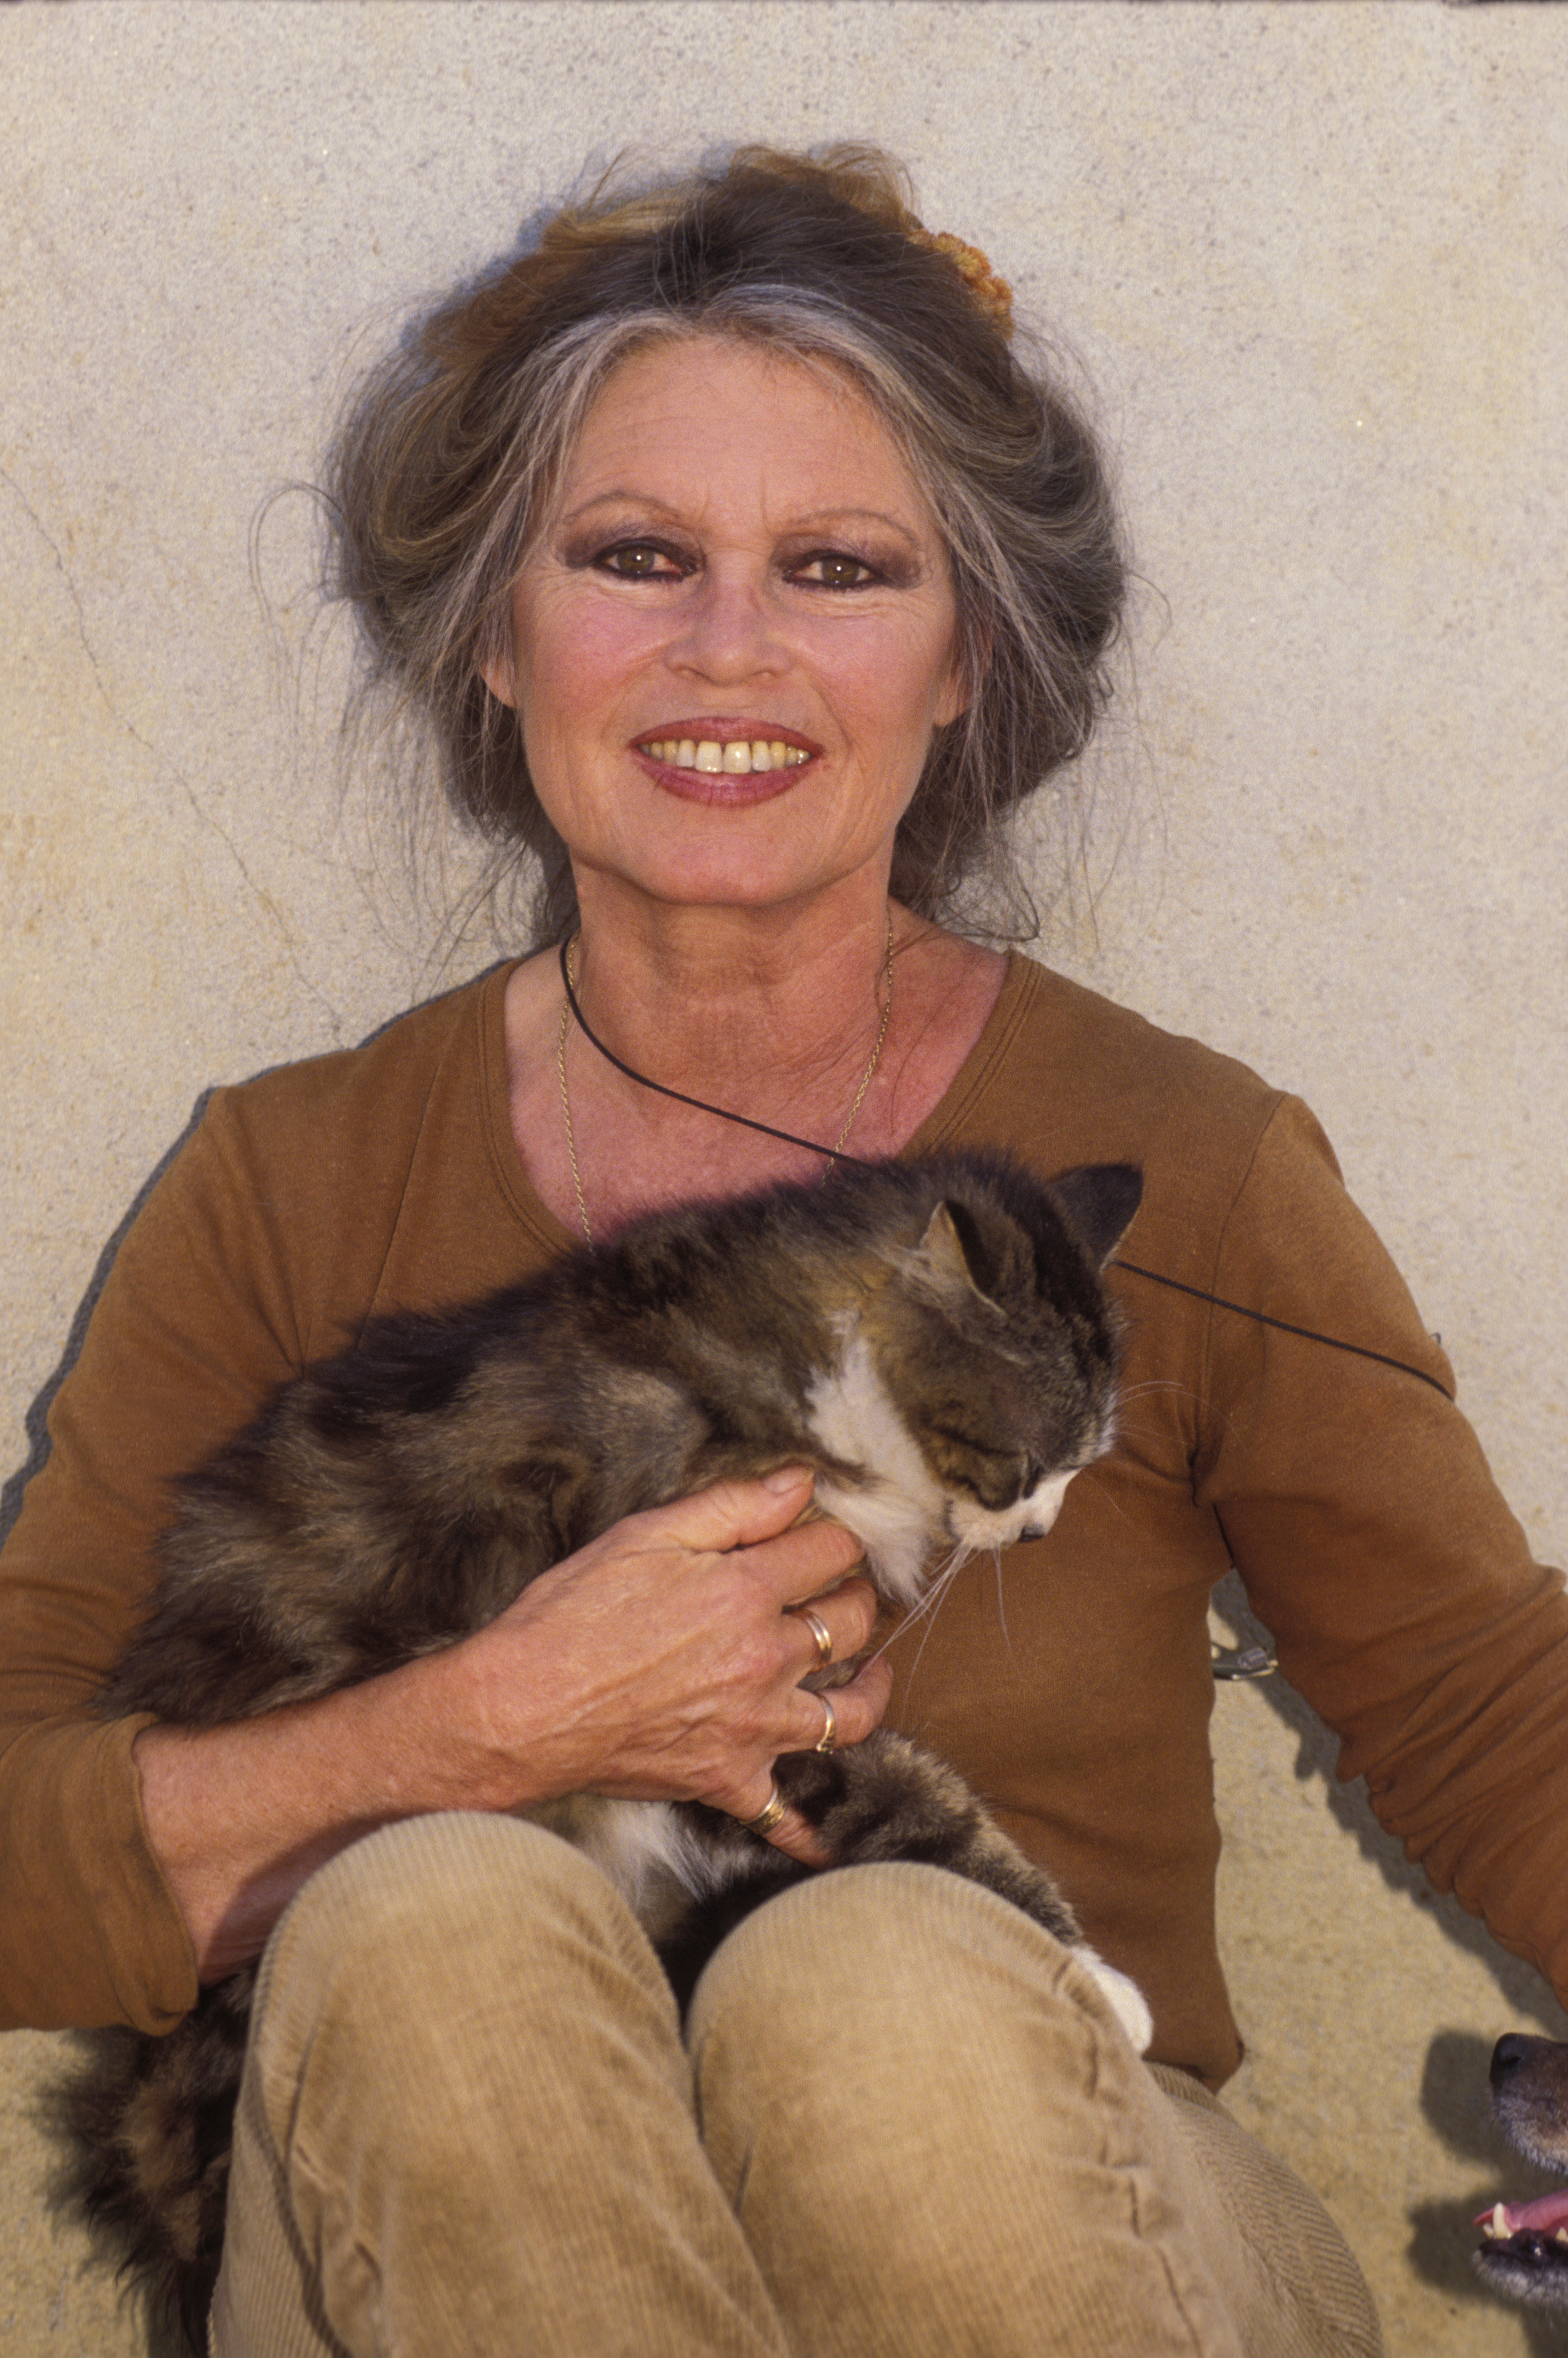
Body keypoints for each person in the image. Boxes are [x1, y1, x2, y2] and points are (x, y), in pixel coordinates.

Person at [0, 143, 1562, 2358]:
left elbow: (1491, 1700)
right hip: (441, 2209)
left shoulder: (1175, 1173)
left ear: (962, 667)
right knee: (433, 1915)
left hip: (1069, 2212)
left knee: (873, 1974)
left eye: (834, 567)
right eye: (636, 556)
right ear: (495, 644)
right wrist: (463, 1729)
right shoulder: (293, 1180)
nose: (726, 650)